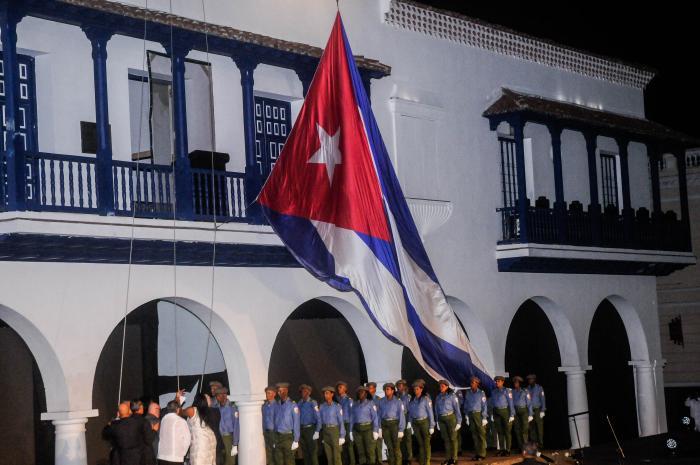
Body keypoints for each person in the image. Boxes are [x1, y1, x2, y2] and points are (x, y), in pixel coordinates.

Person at [104, 400, 149, 465]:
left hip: (119, 458)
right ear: (129, 411)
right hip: (136, 457)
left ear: (119, 413)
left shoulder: (114, 425)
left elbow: (105, 434)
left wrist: (110, 423)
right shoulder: (138, 422)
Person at [186, 393, 219, 465]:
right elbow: (180, 412)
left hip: (207, 445)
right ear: (201, 400)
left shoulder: (210, 412)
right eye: (207, 397)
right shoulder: (193, 411)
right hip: (202, 446)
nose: (209, 398)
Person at [434, 380, 461, 465]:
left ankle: (454, 459)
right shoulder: (438, 397)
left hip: (450, 417)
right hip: (441, 419)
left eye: (442, 386)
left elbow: (457, 409)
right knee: (446, 439)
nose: (441, 388)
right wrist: (437, 421)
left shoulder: (452, 396)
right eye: (440, 386)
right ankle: (448, 458)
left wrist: (459, 421)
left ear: (447, 386)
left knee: (453, 439)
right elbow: (436, 410)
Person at [273, 382, 301, 465]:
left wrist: (296, 440)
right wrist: (274, 438)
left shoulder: (293, 405)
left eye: (283, 390)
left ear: (287, 391)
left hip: (288, 437)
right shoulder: (277, 405)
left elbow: (296, 423)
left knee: (289, 461)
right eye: (279, 391)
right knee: (278, 461)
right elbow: (275, 421)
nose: (281, 393)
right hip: (278, 436)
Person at [377, 383, 405, 465]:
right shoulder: (381, 401)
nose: (386, 391)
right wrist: (379, 428)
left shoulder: (398, 401)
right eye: (385, 389)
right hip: (385, 425)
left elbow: (401, 415)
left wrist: (401, 429)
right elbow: (378, 415)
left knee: (396, 447)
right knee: (389, 447)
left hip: (394, 425)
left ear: (393, 391)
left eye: (388, 389)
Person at [407, 379, 434, 465]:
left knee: (426, 443)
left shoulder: (426, 399)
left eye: (417, 389)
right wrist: (410, 423)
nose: (416, 391)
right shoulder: (412, 400)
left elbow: (430, 413)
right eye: (414, 389)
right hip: (415, 423)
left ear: (421, 389)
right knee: (420, 444)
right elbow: (410, 413)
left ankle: (427, 461)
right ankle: (422, 462)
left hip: (424, 422)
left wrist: (432, 426)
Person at [351, 385, 379, 465]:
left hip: (368, 429)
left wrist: (375, 430)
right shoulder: (355, 404)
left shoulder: (370, 403)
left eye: (362, 392)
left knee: (370, 451)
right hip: (357, 430)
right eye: (359, 392)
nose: (360, 393)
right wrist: (350, 431)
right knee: (361, 452)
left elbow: (375, 417)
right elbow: (352, 418)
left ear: (366, 394)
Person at [157, 400, 191, 465]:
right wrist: (182, 453)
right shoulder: (181, 421)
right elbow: (187, 439)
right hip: (174, 458)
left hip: (161, 457)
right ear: (178, 409)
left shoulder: (163, 419)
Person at [463, 377, 488, 462]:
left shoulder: (481, 393)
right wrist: (466, 415)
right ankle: (477, 454)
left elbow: (484, 406)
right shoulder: (468, 393)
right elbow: (466, 404)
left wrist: (484, 417)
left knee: (481, 435)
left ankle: (482, 454)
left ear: (477, 384)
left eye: (473, 383)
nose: (471, 384)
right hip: (471, 414)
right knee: (474, 435)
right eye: (471, 382)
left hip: (478, 414)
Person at [489, 376, 515, 456]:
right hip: (496, 412)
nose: (497, 382)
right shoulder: (493, 392)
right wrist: (492, 414)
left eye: (499, 381)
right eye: (496, 381)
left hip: (505, 411)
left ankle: (508, 450)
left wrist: (512, 414)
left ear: (503, 382)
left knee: (507, 431)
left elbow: (511, 403)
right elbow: (492, 404)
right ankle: (502, 449)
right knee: (499, 432)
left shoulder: (507, 391)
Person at [320, 386, 346, 465]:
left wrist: (342, 436)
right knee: (329, 457)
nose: (325, 395)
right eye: (324, 394)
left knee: (336, 456)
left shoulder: (337, 406)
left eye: (327, 393)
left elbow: (341, 421)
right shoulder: (322, 406)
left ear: (332, 394)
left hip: (335, 431)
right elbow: (320, 420)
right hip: (325, 431)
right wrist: (321, 434)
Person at [216, 386, 240, 465]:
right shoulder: (217, 407)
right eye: (217, 396)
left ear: (225, 395)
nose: (217, 398)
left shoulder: (232, 408)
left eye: (219, 395)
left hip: (229, 437)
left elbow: (236, 426)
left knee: (230, 461)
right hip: (219, 437)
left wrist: (235, 444)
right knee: (221, 460)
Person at [298, 384, 321, 465]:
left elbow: (318, 417)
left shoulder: (313, 403)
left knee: (313, 453)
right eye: (302, 391)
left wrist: (317, 431)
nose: (303, 393)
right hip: (302, 429)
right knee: (305, 453)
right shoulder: (299, 403)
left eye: (305, 391)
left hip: (310, 429)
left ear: (309, 393)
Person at [511, 376, 533, 453]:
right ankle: (520, 447)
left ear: (519, 383)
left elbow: (529, 403)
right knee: (517, 430)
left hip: (524, 410)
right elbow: (511, 403)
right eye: (514, 383)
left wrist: (530, 414)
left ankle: (525, 448)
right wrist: (512, 413)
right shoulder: (512, 392)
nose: (515, 384)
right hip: (516, 411)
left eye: (517, 382)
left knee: (524, 430)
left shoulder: (525, 391)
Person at [337, 381, 356, 465]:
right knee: (341, 447)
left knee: (349, 446)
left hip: (347, 424)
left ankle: (352, 463)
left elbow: (352, 415)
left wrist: (351, 430)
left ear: (345, 389)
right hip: (339, 425)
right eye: (338, 387)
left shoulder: (349, 400)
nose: (339, 389)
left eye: (341, 387)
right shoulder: (337, 400)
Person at [395, 380, 413, 465]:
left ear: (404, 386)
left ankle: (408, 459)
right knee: (400, 440)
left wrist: (409, 421)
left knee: (407, 439)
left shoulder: (407, 397)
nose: (399, 387)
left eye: (401, 386)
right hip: (398, 419)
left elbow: (410, 410)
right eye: (398, 386)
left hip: (406, 417)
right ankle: (403, 458)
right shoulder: (395, 396)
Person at [525, 375, 545, 448]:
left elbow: (542, 399)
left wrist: (543, 410)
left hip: (537, 409)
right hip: (530, 410)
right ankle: (534, 443)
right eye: (529, 380)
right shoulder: (527, 389)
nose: (530, 381)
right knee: (532, 427)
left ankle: (541, 443)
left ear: (534, 380)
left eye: (531, 379)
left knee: (539, 427)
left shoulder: (539, 388)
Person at [366, 382, 383, 462]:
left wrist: (379, 427)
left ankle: (379, 461)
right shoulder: (365, 400)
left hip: (377, 425)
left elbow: (380, 414)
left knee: (378, 445)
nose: (369, 390)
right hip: (368, 426)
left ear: (375, 389)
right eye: (368, 388)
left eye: (371, 388)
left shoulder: (379, 400)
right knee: (369, 446)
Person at [262, 386, 277, 465]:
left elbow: (278, 420)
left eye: (269, 393)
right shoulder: (264, 405)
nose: (267, 395)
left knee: (276, 453)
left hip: (273, 432)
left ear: (274, 394)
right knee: (268, 453)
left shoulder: (277, 405)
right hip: (266, 432)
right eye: (266, 393)